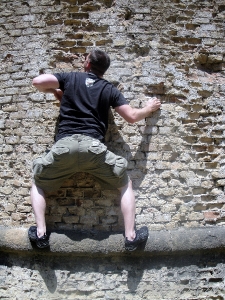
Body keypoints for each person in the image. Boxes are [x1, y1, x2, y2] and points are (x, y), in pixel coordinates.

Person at [28, 49, 161, 251]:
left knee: (38, 183)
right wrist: (149, 108)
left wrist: (56, 91)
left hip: (65, 146)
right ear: (103, 69)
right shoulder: (109, 89)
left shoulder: (70, 78)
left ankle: (40, 235)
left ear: (88, 63)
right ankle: (131, 238)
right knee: (125, 184)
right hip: (94, 148)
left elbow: (38, 82)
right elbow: (132, 116)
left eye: (85, 58)